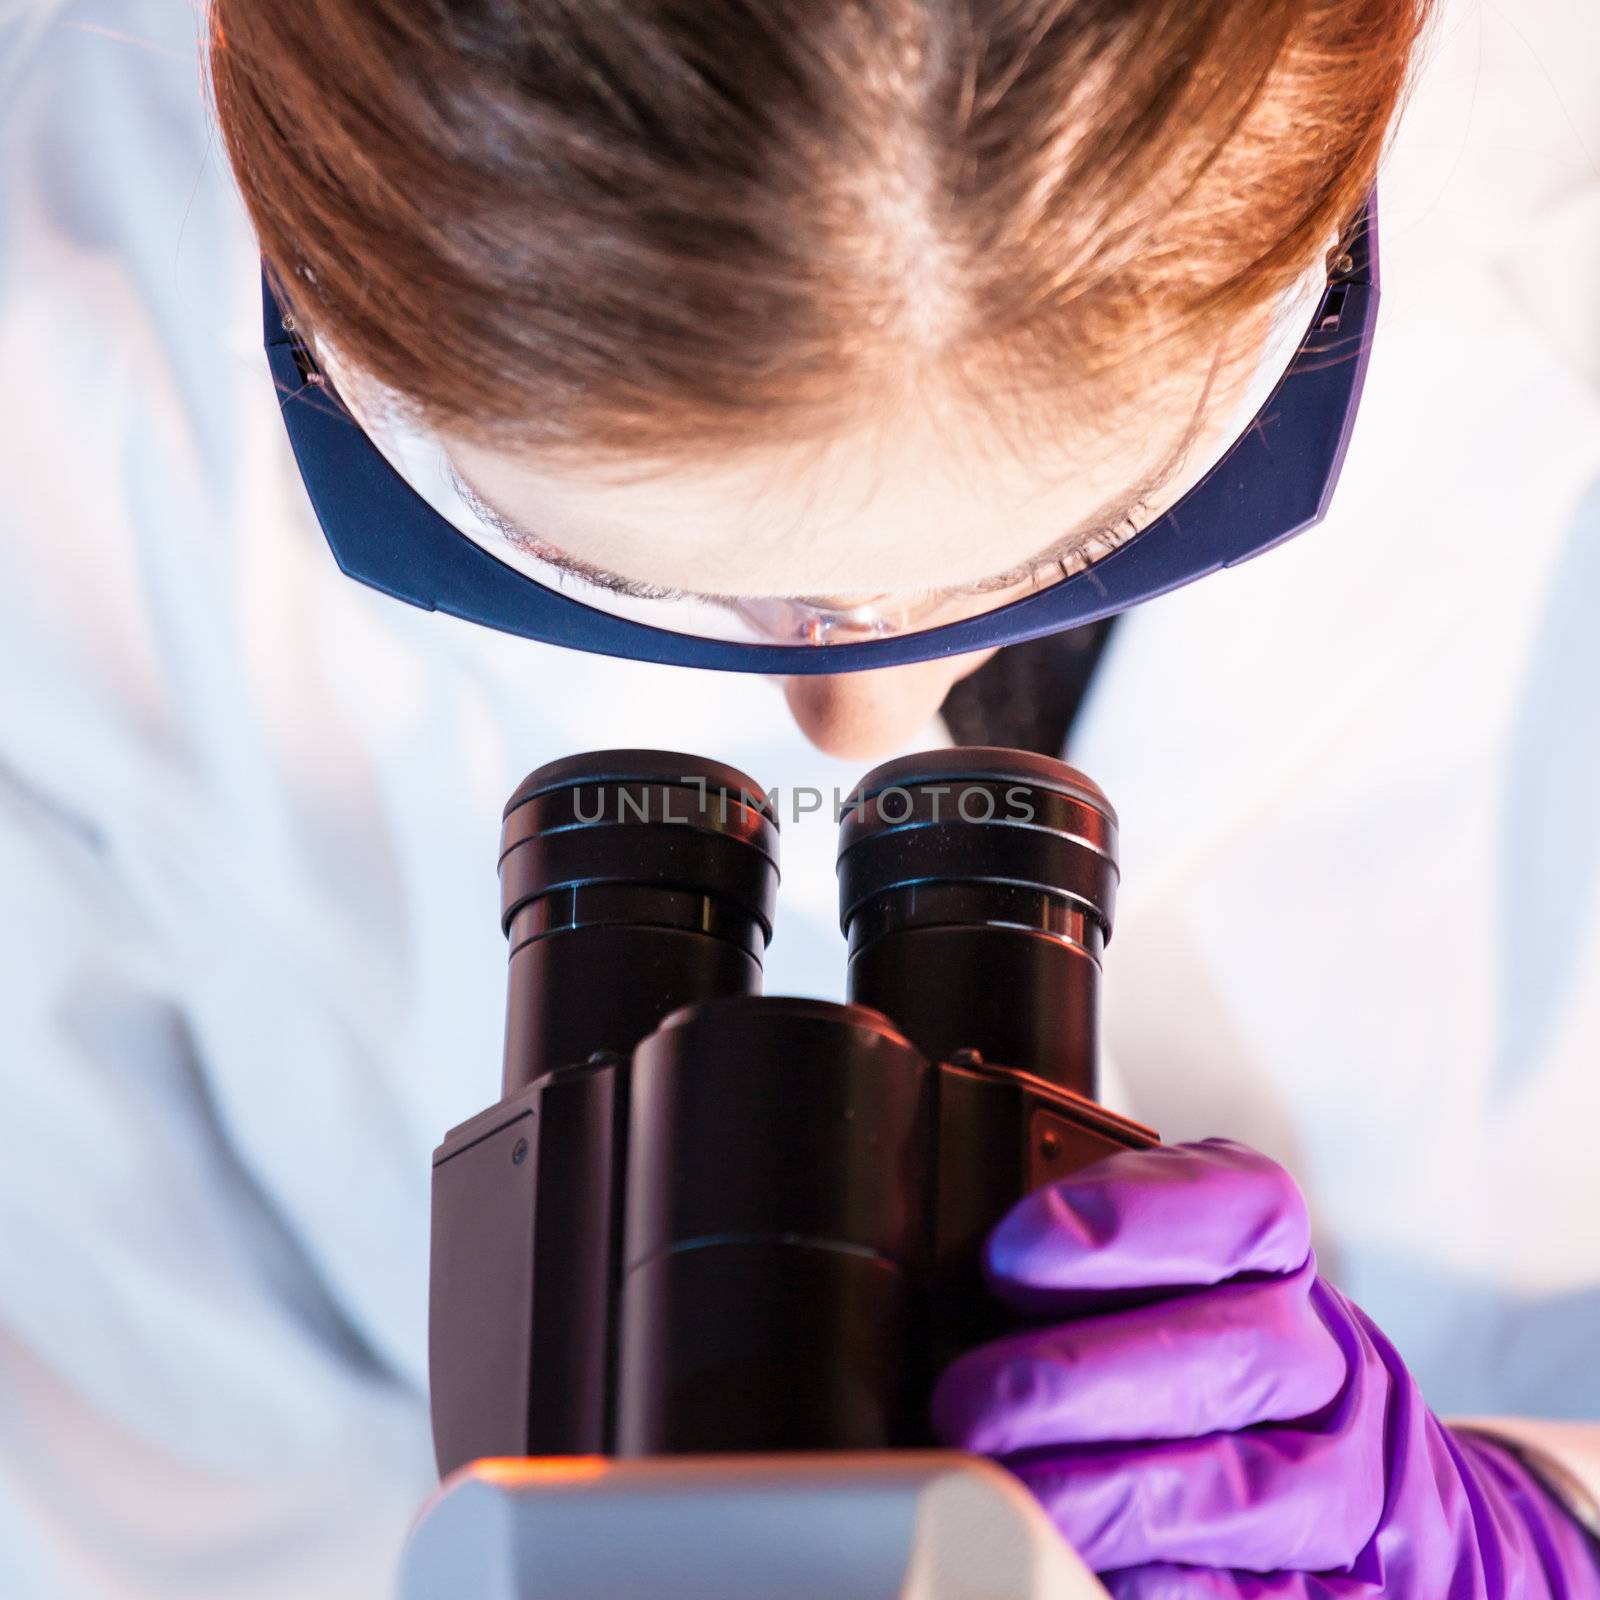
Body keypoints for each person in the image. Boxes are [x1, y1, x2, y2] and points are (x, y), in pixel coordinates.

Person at [1, 0, 1597, 1596]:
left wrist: (1540, 1534)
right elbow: (158, 1500)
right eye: (594, 572)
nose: (864, 726)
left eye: (1067, 551)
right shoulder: (73, 390)